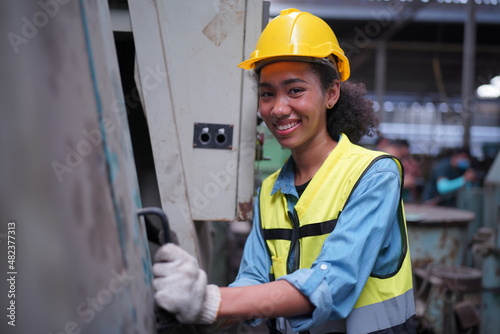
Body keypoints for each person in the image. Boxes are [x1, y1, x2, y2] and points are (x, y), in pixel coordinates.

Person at [152, 8, 416, 334]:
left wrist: (210, 301)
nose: (278, 109)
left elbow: (333, 281)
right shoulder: (271, 190)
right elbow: (253, 278)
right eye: (267, 93)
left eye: (295, 90)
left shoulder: (375, 175)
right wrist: (192, 297)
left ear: (330, 94)